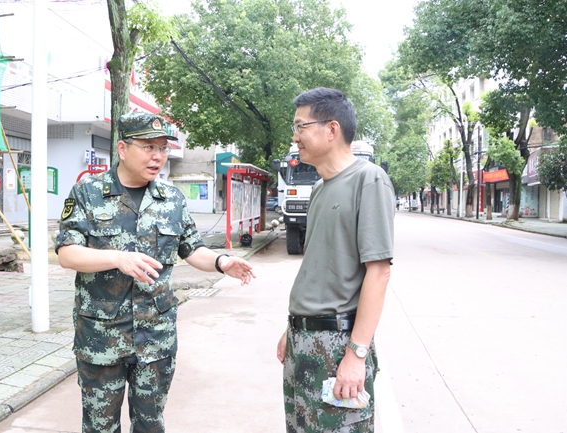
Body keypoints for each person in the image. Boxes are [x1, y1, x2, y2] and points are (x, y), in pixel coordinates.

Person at [56, 112, 256, 433]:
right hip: (102, 339)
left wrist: (222, 262)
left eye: (163, 149)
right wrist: (117, 258)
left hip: (156, 338)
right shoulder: (88, 193)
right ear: (122, 149)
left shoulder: (172, 199)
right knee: (99, 427)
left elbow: (193, 249)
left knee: (151, 426)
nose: (158, 157)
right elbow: (67, 253)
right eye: (148, 147)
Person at [276, 88, 394, 432]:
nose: (295, 136)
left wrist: (356, 355)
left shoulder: (367, 180)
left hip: (337, 344)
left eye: (301, 126)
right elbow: (320, 267)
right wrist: (293, 327)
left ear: (332, 129)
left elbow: (379, 272)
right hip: (303, 341)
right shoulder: (320, 188)